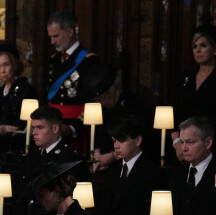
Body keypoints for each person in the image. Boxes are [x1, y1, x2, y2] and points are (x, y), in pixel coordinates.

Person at [95, 114, 162, 215]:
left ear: (137, 141)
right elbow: (103, 214)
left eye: (122, 140)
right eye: (114, 141)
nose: (116, 146)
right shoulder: (114, 170)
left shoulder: (151, 173)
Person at [12, 105, 88, 215]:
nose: (34, 132)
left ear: (55, 128)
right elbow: (22, 196)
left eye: (39, 127)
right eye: (33, 127)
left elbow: (71, 203)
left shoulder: (71, 159)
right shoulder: (33, 156)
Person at [171, 24, 216, 163]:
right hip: (180, 148)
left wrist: (197, 144)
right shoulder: (186, 78)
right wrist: (177, 142)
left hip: (209, 148)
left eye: (203, 45)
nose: (198, 50)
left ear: (215, 49)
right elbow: (174, 111)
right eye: (194, 46)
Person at [46, 11, 100, 142]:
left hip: (76, 131)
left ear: (70, 32)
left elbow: (94, 102)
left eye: (56, 36)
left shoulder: (89, 61)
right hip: (54, 127)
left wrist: (72, 128)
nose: (52, 41)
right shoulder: (54, 60)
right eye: (50, 37)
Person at [92, 68, 145, 172]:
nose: (99, 103)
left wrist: (110, 157)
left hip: (128, 163)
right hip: (104, 164)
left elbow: (131, 141)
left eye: (99, 99)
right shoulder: (101, 108)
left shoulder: (131, 103)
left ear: (105, 95)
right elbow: (96, 133)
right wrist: (97, 154)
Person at [0, 44, 36, 156]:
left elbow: (32, 123)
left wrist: (10, 129)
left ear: (15, 65)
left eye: (6, 65)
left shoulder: (25, 90)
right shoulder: (1, 90)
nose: (2, 70)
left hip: (19, 149)